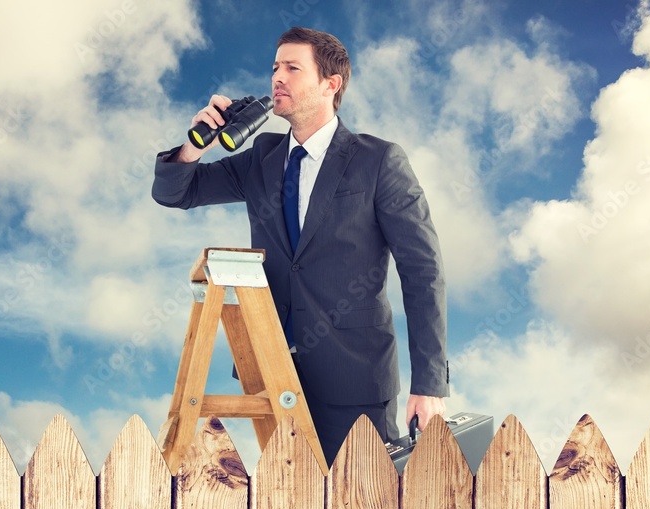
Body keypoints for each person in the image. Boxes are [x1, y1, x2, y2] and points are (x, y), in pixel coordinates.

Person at [152, 26, 448, 464]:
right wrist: (198, 142)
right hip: (272, 374)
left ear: (331, 84)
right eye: (275, 68)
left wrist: (430, 384)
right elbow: (175, 192)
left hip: (354, 377)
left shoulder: (379, 160)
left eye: (293, 68)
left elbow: (423, 271)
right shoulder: (261, 159)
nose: (278, 78)